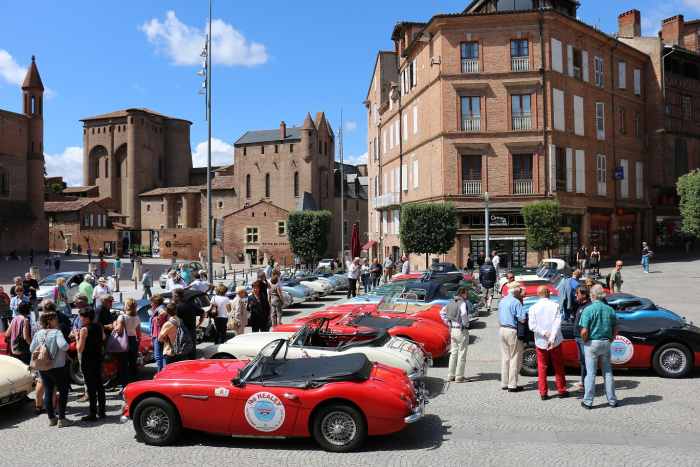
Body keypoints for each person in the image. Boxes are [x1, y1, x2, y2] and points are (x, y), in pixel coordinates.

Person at [580, 284, 618, 409]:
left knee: (591, 373)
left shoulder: (588, 310)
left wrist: (585, 341)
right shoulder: (610, 309)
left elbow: (584, 331)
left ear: (593, 295)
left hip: (592, 343)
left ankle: (588, 401)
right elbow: (616, 327)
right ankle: (612, 400)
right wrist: (611, 339)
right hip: (606, 342)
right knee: (607, 372)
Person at [30, 311, 70, 427]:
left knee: (48, 390)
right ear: (49, 321)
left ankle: (51, 418)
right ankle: (62, 419)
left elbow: (31, 348)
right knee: (63, 391)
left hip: (43, 367)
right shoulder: (56, 332)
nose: (57, 320)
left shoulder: (38, 333)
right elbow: (64, 346)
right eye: (55, 319)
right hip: (57, 367)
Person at [528, 286, 569, 400]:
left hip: (541, 340)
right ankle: (561, 389)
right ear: (548, 294)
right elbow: (557, 323)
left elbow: (532, 326)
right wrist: (552, 336)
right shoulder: (555, 305)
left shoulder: (533, 308)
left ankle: (543, 392)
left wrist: (544, 333)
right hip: (555, 340)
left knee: (542, 367)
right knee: (558, 366)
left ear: (538, 294)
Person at [76, 307, 106, 421]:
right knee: (100, 386)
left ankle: (93, 413)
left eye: (81, 317)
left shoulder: (84, 330)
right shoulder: (98, 325)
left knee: (91, 387)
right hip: (98, 358)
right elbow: (103, 337)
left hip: (88, 360)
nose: (80, 319)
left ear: (86, 318)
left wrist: (78, 336)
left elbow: (80, 348)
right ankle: (102, 411)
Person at [498, 282, 526, 392]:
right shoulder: (516, 302)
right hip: (512, 330)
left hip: (502, 329)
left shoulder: (502, 301)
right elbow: (522, 319)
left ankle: (504, 382)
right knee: (515, 357)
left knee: (505, 357)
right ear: (516, 291)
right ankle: (512, 384)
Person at [439, 287, 471, 383]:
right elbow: (464, 313)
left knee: (453, 353)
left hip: (452, 329)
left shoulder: (451, 302)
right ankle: (459, 376)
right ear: (462, 294)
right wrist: (466, 323)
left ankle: (450, 375)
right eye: (466, 293)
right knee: (462, 353)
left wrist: (447, 323)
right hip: (461, 330)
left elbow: (441, 312)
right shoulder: (462, 303)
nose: (467, 295)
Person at [113, 298, 141, 390]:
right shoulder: (137, 317)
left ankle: (125, 386)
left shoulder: (122, 317)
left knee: (123, 365)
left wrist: (114, 324)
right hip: (133, 340)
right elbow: (139, 333)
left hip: (124, 340)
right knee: (132, 364)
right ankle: (134, 385)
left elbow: (118, 330)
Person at [172, 288, 203, 360]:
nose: (172, 297)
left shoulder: (177, 307)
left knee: (182, 351)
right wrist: (199, 323)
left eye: (173, 295)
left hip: (182, 333)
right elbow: (202, 312)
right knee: (192, 350)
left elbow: (173, 320)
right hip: (192, 330)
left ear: (177, 296)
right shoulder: (191, 304)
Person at [573, 286, 592, 389]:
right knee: (582, 361)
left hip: (583, 338)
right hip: (578, 337)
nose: (576, 295)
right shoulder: (580, 305)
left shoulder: (588, 306)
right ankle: (583, 381)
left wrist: (584, 338)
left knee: (585, 361)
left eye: (577, 293)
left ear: (584, 295)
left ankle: (586, 384)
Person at [149, 295, 167, 372]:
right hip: (158, 334)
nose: (151, 304)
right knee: (161, 356)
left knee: (158, 357)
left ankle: (161, 373)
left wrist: (158, 319)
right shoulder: (159, 308)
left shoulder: (160, 308)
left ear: (155, 302)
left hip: (158, 335)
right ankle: (163, 372)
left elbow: (163, 313)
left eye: (151, 302)